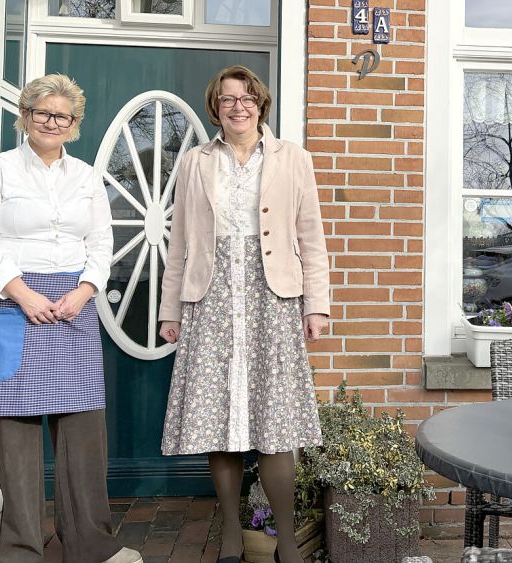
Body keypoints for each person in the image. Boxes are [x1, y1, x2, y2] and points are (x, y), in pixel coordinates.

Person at [0, 74, 142, 563]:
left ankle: (91, 546)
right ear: (25, 116)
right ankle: (20, 549)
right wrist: (22, 294)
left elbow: (102, 244)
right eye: (42, 113)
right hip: (9, 302)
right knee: (15, 434)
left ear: (74, 123)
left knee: (82, 432)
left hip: (72, 308)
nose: (51, 122)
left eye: (62, 115)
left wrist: (84, 291)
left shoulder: (85, 177)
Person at [158, 65, 329, 563]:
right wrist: (172, 309)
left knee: (275, 419)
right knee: (219, 418)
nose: (238, 106)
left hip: (272, 297)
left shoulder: (293, 159)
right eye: (228, 98)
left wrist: (316, 306)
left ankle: (287, 541)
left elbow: (311, 240)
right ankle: (231, 534)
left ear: (261, 105)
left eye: (247, 97)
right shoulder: (194, 162)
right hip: (210, 298)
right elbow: (180, 244)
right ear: (216, 107)